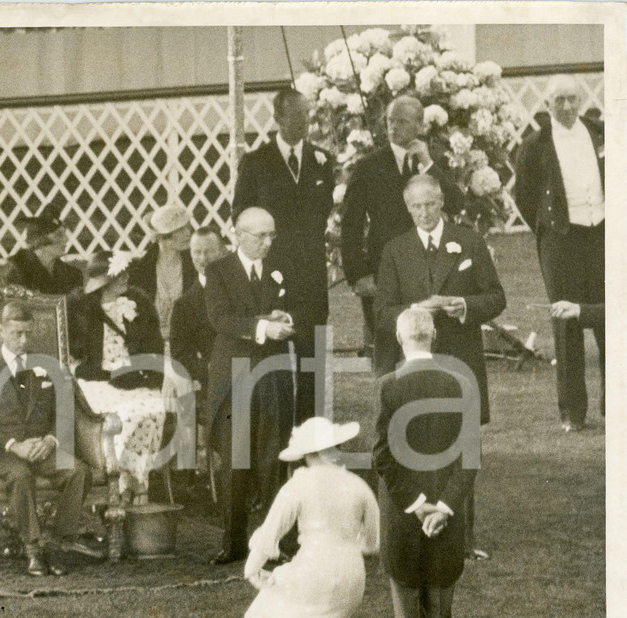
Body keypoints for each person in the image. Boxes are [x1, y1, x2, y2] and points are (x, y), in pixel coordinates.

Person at [374, 308, 480, 618]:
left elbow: (382, 457)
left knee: (405, 597)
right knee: (440, 598)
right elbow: (469, 458)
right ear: (433, 335)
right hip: (447, 513)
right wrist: (445, 506)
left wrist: (417, 506)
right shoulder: (460, 384)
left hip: (403, 511)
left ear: (401, 338)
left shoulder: (388, 386)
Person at [238, 417, 393, 618]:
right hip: (351, 578)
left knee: (260, 615)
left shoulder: (298, 485)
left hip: (314, 571)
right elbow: (373, 543)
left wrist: (252, 569)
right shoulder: (358, 485)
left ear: (307, 455)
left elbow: (269, 534)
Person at [0, 302, 90, 576]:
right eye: (17, 334)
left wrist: (51, 441)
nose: (24, 341)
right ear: (1, 331)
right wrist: (14, 446)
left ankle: (57, 542)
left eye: (28, 334)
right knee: (20, 477)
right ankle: (33, 549)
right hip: (2, 451)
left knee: (79, 471)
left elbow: (64, 412)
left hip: (41, 447)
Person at [232, 87, 334, 423]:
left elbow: (324, 213)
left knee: (311, 359)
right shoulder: (256, 161)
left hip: (311, 276)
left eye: (308, 113)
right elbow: (241, 214)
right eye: (298, 114)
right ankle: (271, 431)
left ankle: (311, 434)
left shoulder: (322, 160)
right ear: (279, 117)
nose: (306, 121)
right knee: (270, 356)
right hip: (271, 273)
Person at [373, 174, 507, 423]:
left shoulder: (470, 242)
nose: (424, 213)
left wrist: (465, 305)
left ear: (442, 201)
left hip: (461, 355)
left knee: (465, 446)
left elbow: (496, 298)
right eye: (416, 206)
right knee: (419, 436)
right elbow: (382, 312)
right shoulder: (395, 250)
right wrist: (416, 310)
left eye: (430, 204)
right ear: (407, 207)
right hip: (413, 362)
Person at [341, 95, 465, 362]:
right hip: (383, 270)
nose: (393, 128)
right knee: (388, 349)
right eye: (389, 121)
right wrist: (358, 274)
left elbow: (455, 203)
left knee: (431, 346)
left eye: (402, 121)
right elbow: (350, 223)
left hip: (431, 268)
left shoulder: (434, 161)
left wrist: (429, 164)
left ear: (419, 125)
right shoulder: (368, 165)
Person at [205, 207, 296, 565]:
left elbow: (296, 307)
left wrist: (285, 318)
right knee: (235, 462)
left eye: (271, 235)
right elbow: (220, 318)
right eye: (261, 236)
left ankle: (274, 541)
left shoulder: (279, 266)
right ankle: (234, 542)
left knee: (273, 459)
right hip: (235, 376)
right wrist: (263, 328)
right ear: (238, 235)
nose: (268, 242)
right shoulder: (219, 271)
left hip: (273, 375)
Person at [514, 75, 604, 432]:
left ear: (581, 100)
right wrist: (551, 229)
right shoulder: (534, 145)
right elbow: (525, 199)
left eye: (572, 99)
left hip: (602, 235)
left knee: (609, 316)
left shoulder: (600, 132)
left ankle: (615, 405)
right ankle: (572, 413)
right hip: (560, 241)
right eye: (558, 101)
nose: (566, 107)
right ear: (546, 105)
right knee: (567, 322)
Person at [73, 252, 168, 499]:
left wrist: (140, 374)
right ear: (105, 282)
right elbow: (75, 359)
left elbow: (154, 350)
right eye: (119, 275)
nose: (126, 278)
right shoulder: (83, 309)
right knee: (124, 418)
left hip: (136, 379)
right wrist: (109, 373)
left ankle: (131, 486)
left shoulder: (140, 303)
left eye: (126, 272)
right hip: (97, 383)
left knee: (152, 411)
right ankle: (125, 487)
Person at [127, 204, 196, 341]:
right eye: (180, 229)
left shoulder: (196, 267)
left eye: (188, 227)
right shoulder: (139, 272)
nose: (188, 233)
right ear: (162, 237)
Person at [169, 227, 224, 392]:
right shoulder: (184, 306)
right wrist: (210, 368)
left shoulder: (241, 289)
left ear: (221, 251)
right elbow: (180, 357)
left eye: (209, 252)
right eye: (197, 252)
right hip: (213, 383)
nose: (203, 258)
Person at [6, 200, 83, 296]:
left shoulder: (74, 275)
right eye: (59, 235)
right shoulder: (18, 275)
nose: (66, 239)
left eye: (65, 234)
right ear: (40, 242)